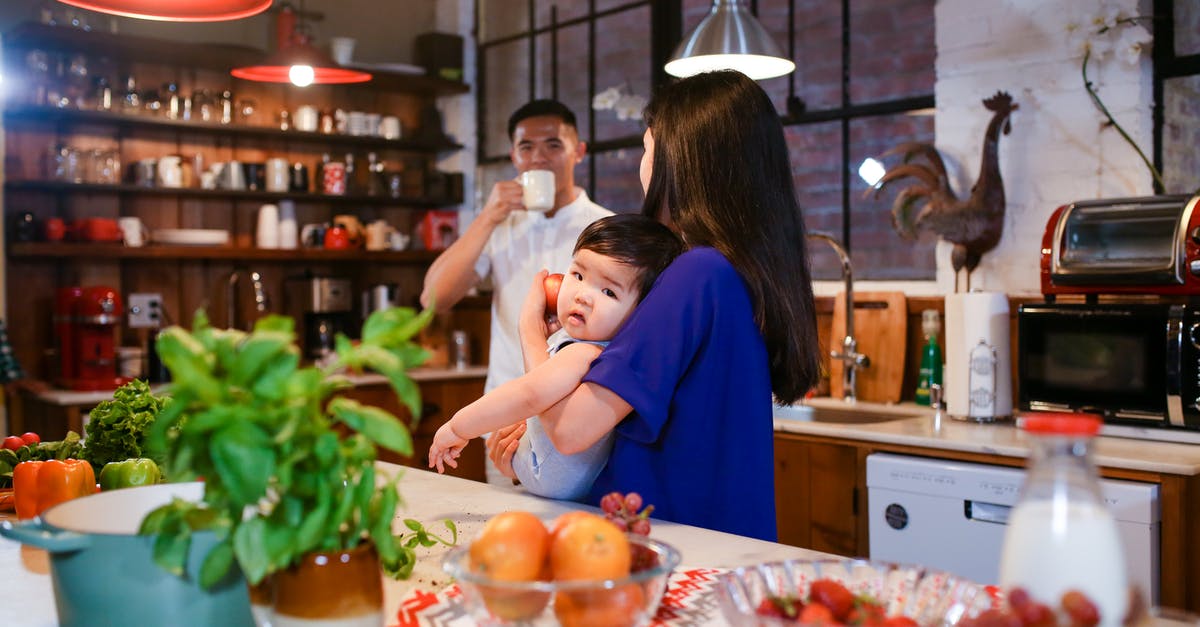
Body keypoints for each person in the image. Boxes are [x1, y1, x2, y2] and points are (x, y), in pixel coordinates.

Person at [488, 70, 821, 541]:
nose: (643, 165)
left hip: (675, 545)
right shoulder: (739, 274)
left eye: (648, 150)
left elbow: (570, 432)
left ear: (679, 160)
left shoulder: (694, 275)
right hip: (718, 541)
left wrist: (530, 333)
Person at [427, 214, 685, 501]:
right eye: (578, 275)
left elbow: (529, 394)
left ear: (639, 314)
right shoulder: (590, 349)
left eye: (609, 291)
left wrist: (459, 427)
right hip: (560, 488)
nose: (583, 295)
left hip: (546, 481)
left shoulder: (586, 353)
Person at [419, 99, 612, 483]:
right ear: (513, 156)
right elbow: (433, 299)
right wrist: (488, 216)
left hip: (579, 421)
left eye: (553, 145)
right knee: (506, 533)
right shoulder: (500, 227)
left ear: (579, 151)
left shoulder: (605, 227)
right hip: (503, 416)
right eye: (526, 148)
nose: (538, 158)